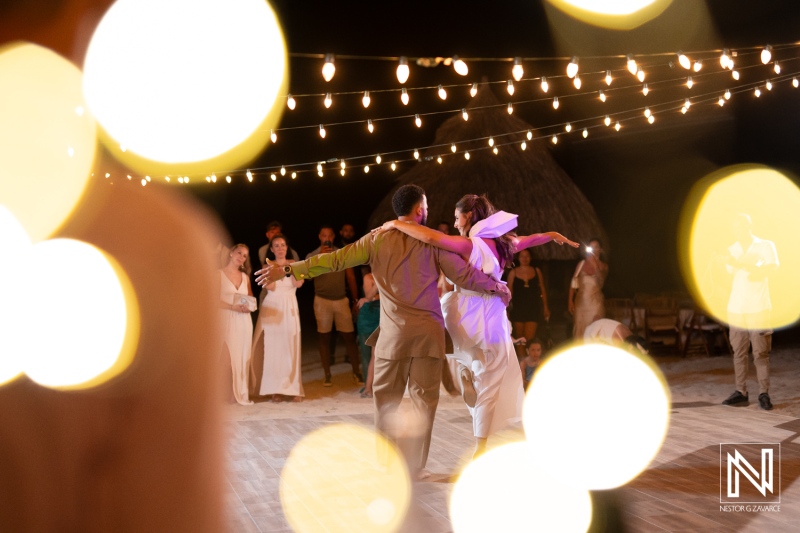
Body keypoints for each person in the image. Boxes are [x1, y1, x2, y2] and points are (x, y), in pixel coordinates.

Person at [255, 184, 510, 478]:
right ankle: (413, 468)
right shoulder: (434, 242)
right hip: (428, 336)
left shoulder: (376, 239)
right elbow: (464, 276)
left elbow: (333, 260)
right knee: (423, 402)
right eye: (425, 206)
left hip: (392, 337)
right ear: (419, 210)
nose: (427, 211)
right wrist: (497, 286)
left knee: (386, 400)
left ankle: (388, 467)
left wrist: (290, 269)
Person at [379, 194, 578, 457]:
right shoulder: (504, 244)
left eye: (456, 216)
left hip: (461, 312)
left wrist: (395, 224)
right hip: (491, 314)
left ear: (469, 216)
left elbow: (428, 237)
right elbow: (533, 238)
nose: (454, 221)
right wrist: (552, 234)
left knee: (464, 352)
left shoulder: (467, 244)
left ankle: (464, 370)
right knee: (490, 379)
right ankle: (479, 447)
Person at [720, 214, 778, 410]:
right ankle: (741, 391)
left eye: (741, 226)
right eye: (734, 228)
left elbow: (770, 269)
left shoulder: (765, 246)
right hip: (736, 308)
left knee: (761, 352)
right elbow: (728, 277)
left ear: (749, 226)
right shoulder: (731, 250)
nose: (738, 231)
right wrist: (724, 264)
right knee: (739, 352)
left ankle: (764, 393)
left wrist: (744, 264)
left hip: (759, 306)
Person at [250, 235, 305, 402]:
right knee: (273, 349)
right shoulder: (267, 265)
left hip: (289, 304)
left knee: (291, 347)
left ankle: (294, 388)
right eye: (276, 246)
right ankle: (275, 389)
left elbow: (298, 284)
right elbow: (270, 286)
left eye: (283, 245)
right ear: (272, 249)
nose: (280, 248)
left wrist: (290, 267)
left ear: (287, 247)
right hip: (273, 306)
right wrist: (276, 269)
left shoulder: (296, 264)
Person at [306, 225, 362, 386]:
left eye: (330, 235)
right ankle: (327, 374)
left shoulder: (342, 253)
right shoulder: (312, 255)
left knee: (349, 337)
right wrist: (319, 257)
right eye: (324, 235)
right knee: (324, 337)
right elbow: (307, 278)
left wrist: (355, 299)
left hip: (340, 299)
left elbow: (350, 277)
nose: (327, 238)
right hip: (321, 300)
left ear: (333, 236)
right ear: (319, 237)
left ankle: (356, 372)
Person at [218, 244, 254, 406]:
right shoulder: (218, 274)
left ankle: (235, 394)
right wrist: (232, 306)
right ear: (231, 253)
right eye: (239, 253)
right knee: (224, 359)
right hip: (225, 318)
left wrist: (249, 307)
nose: (241, 257)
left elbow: (251, 299)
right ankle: (220, 393)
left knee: (240, 358)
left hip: (243, 321)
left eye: (245, 255)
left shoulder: (245, 277)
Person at [506, 248, 549, 360]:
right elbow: (509, 293)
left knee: (529, 339)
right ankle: (521, 365)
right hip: (518, 309)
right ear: (518, 258)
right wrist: (507, 311)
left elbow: (542, 290)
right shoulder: (513, 272)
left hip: (532, 308)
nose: (525, 258)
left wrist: (545, 307)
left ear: (530, 257)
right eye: (522, 256)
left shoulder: (536, 271)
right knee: (520, 339)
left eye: (527, 256)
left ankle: (529, 365)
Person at [568, 237, 608, 338]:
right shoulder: (581, 264)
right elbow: (573, 282)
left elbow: (601, 283)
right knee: (580, 331)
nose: (594, 250)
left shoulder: (604, 266)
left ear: (601, 250)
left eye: (596, 247)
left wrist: (596, 267)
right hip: (581, 303)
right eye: (591, 247)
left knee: (595, 330)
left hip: (596, 303)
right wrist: (570, 300)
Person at [356, 266, 380, 398]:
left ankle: (370, 387)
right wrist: (378, 285)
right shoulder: (368, 277)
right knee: (367, 353)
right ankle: (368, 387)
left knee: (375, 353)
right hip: (368, 315)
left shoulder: (391, 273)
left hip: (383, 314)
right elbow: (368, 296)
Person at [584, 318, 649, 354]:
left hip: (604, 327)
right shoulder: (617, 343)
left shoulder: (630, 338)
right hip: (592, 335)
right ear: (630, 347)